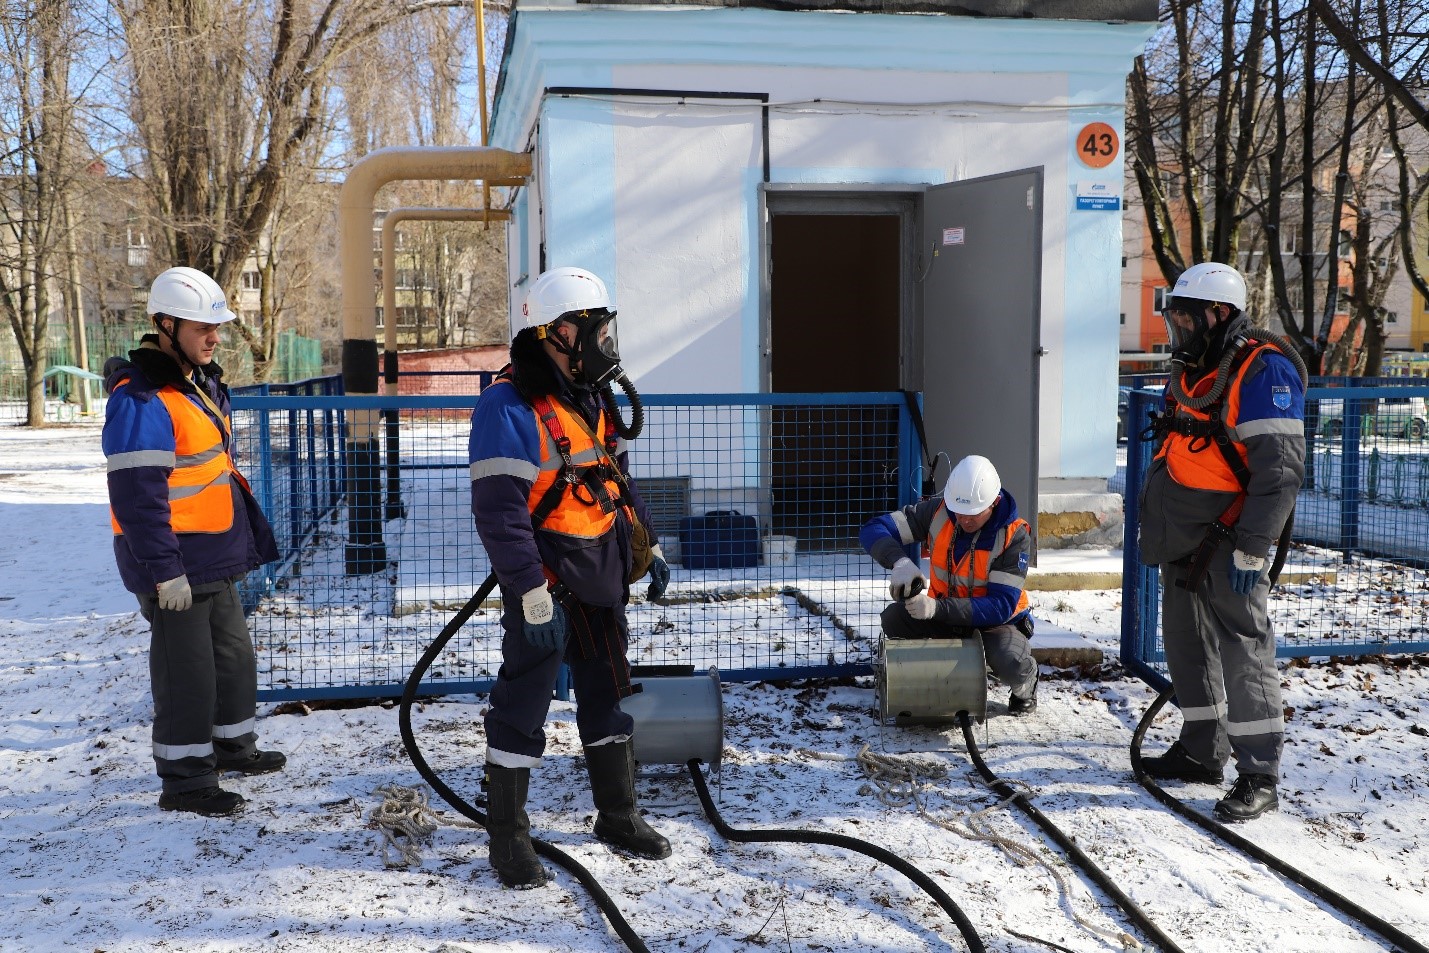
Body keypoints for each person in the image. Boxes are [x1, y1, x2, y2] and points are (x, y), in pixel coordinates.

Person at [468, 266, 673, 889]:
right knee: (524, 704)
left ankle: (618, 815)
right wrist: (528, 590)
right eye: (598, 331)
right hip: (546, 584)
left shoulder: (591, 396)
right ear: (561, 332)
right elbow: (500, 513)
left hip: (601, 577)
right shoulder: (508, 406)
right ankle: (508, 839)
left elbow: (618, 482)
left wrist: (648, 544)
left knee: (607, 695)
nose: (606, 343)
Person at [102, 266, 285, 817]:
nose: (215, 337)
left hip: (212, 554)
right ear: (166, 326)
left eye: (217, 327)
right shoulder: (142, 399)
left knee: (232, 660)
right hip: (175, 564)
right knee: (187, 675)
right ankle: (185, 781)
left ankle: (232, 747)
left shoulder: (195, 386)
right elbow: (137, 496)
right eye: (203, 327)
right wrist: (164, 571)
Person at [1137, 261, 1307, 823]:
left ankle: (1259, 773)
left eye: (1188, 319)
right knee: (1185, 640)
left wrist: (1253, 545)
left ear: (1219, 314)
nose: (1179, 330)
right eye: (1175, 320)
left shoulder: (1263, 370)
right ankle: (1200, 750)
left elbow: (1280, 471)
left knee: (1243, 647)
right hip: (1182, 533)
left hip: (1230, 536)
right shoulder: (1192, 370)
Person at [860, 453, 1039, 715]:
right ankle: (921, 678)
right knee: (894, 619)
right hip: (943, 614)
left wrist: (936, 609)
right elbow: (874, 528)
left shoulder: (1014, 535)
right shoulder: (938, 512)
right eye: (959, 512)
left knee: (1013, 664)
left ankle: (1027, 686)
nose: (964, 520)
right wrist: (899, 561)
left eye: (974, 514)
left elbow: (1000, 606)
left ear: (994, 502)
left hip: (995, 625)